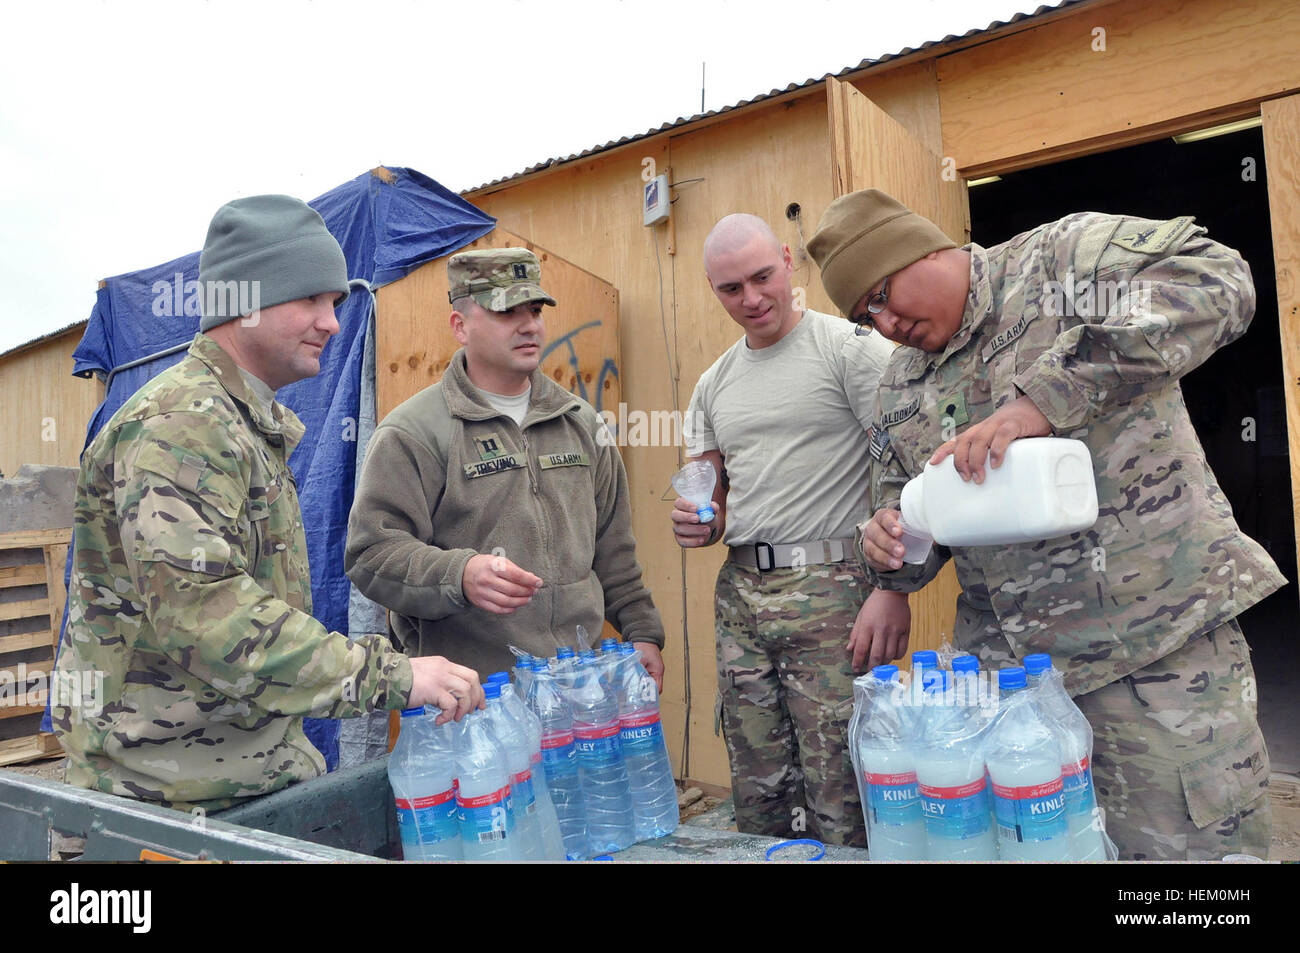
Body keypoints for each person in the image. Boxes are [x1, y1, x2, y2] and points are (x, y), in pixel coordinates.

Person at [808, 188, 1283, 860]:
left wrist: (1042, 399)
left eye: (883, 292)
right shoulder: (898, 389)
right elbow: (910, 524)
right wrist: (885, 548)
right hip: (1016, 698)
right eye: (865, 315)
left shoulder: (1062, 260)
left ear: (924, 248)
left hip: (1152, 659)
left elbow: (1218, 281)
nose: (885, 322)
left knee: (1191, 868)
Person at [52, 195, 484, 813]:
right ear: (243, 303)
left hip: (234, 785)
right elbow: (208, 618)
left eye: (335, 303)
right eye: (310, 298)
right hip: (161, 804)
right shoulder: (183, 425)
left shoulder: (240, 421)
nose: (332, 323)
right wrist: (395, 676)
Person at [671, 213, 902, 847]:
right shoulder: (713, 384)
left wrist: (894, 586)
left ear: (787, 261)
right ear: (711, 288)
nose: (750, 299)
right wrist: (697, 523)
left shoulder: (851, 351)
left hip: (834, 590)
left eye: (762, 277)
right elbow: (708, 496)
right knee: (758, 778)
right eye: (729, 289)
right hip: (742, 593)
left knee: (839, 776)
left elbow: (908, 465)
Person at [345, 248, 666, 687]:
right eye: (506, 311)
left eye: (534, 309)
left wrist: (642, 631)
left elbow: (614, 550)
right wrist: (459, 575)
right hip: (472, 703)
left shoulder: (581, 424)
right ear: (460, 325)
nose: (529, 324)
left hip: (578, 691)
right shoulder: (415, 432)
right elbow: (370, 555)